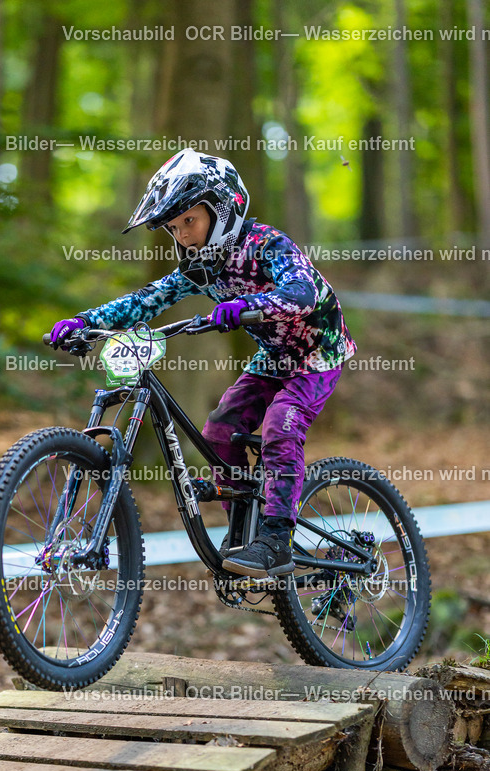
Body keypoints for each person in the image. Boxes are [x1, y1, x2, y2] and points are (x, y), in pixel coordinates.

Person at [48, 148, 356, 579]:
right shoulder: (202, 267)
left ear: (223, 207)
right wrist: (86, 321)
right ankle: (243, 531)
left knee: (280, 425)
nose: (183, 236)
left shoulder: (266, 243)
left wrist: (249, 304)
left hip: (317, 355)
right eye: (174, 228)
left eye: (189, 221)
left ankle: (276, 540)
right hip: (273, 358)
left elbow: (303, 294)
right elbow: (147, 299)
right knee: (219, 429)